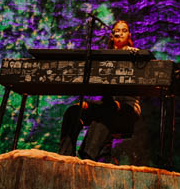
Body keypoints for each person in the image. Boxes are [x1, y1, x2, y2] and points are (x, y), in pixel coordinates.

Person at [58, 20, 144, 160]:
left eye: (124, 30)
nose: (120, 33)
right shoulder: (103, 56)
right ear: (112, 35)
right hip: (107, 104)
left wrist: (135, 55)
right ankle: (65, 157)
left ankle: (87, 157)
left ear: (129, 35)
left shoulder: (135, 54)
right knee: (73, 111)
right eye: (117, 30)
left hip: (127, 107)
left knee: (106, 111)